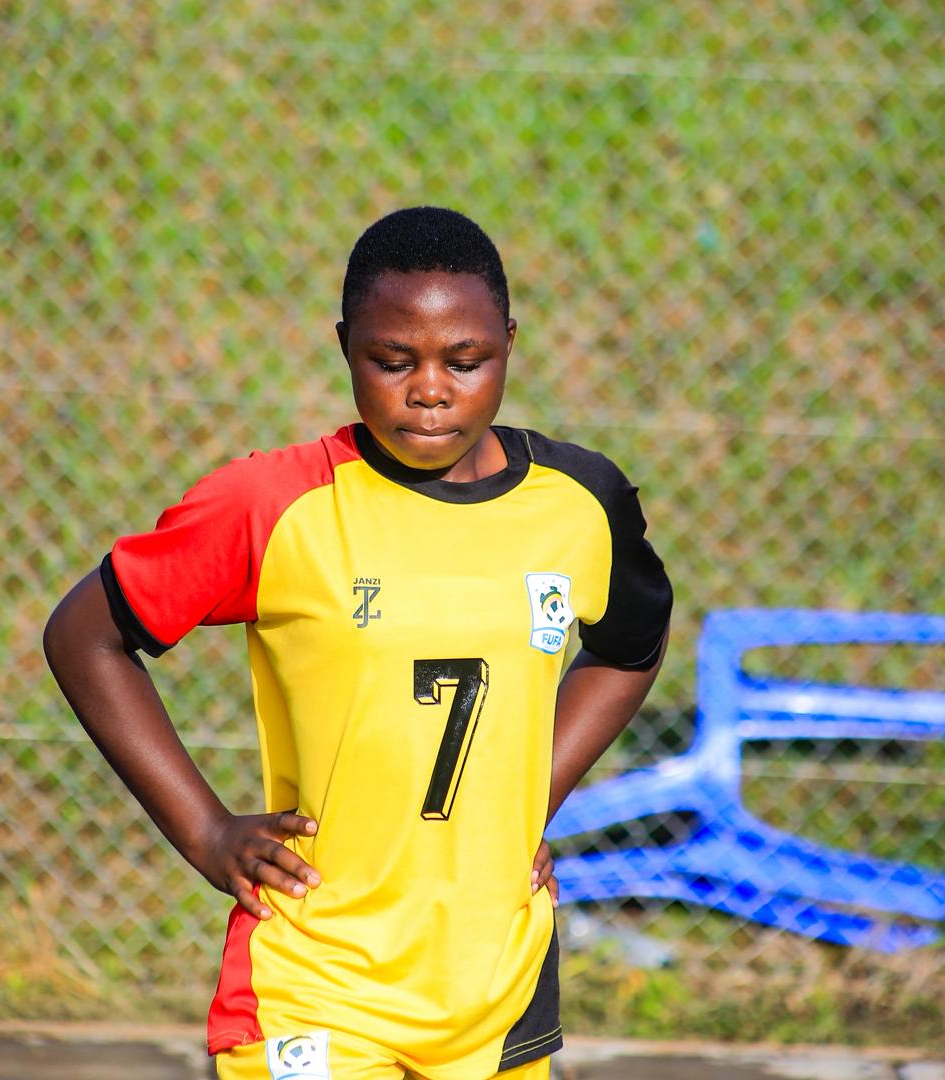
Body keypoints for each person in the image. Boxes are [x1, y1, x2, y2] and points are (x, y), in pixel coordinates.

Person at [43, 206, 672, 1080]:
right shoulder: (274, 505)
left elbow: (630, 648)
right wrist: (207, 832)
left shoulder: (578, 501)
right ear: (345, 347)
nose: (429, 389)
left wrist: (527, 798)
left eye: (465, 361)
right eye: (392, 360)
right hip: (316, 978)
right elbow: (85, 636)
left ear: (509, 345)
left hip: (495, 985)